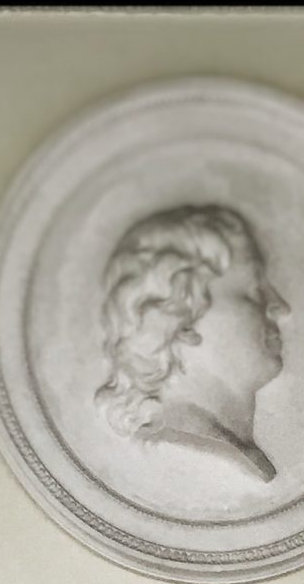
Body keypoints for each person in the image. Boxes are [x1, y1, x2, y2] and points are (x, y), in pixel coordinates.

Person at [95, 204, 289, 482]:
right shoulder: (174, 460)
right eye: (254, 290)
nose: (280, 307)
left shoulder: (230, 454)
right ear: (179, 314)